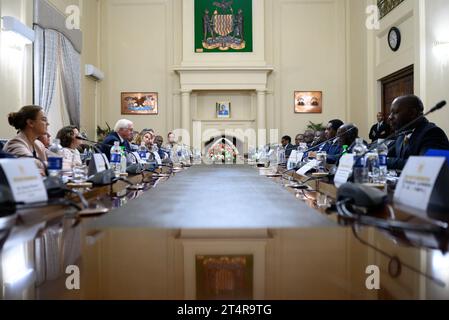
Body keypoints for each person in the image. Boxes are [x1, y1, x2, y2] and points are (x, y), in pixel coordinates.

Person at [387, 95, 449, 170]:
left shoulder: (432, 133)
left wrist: (383, 161)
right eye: (390, 113)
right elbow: (386, 153)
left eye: (395, 112)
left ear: (412, 113)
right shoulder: (401, 135)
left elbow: (424, 165)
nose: (390, 117)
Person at [4, 105, 49, 175]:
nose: (48, 123)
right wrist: (53, 164)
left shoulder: (38, 144)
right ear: (30, 123)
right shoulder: (15, 143)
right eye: (44, 119)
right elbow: (29, 163)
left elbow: (55, 157)